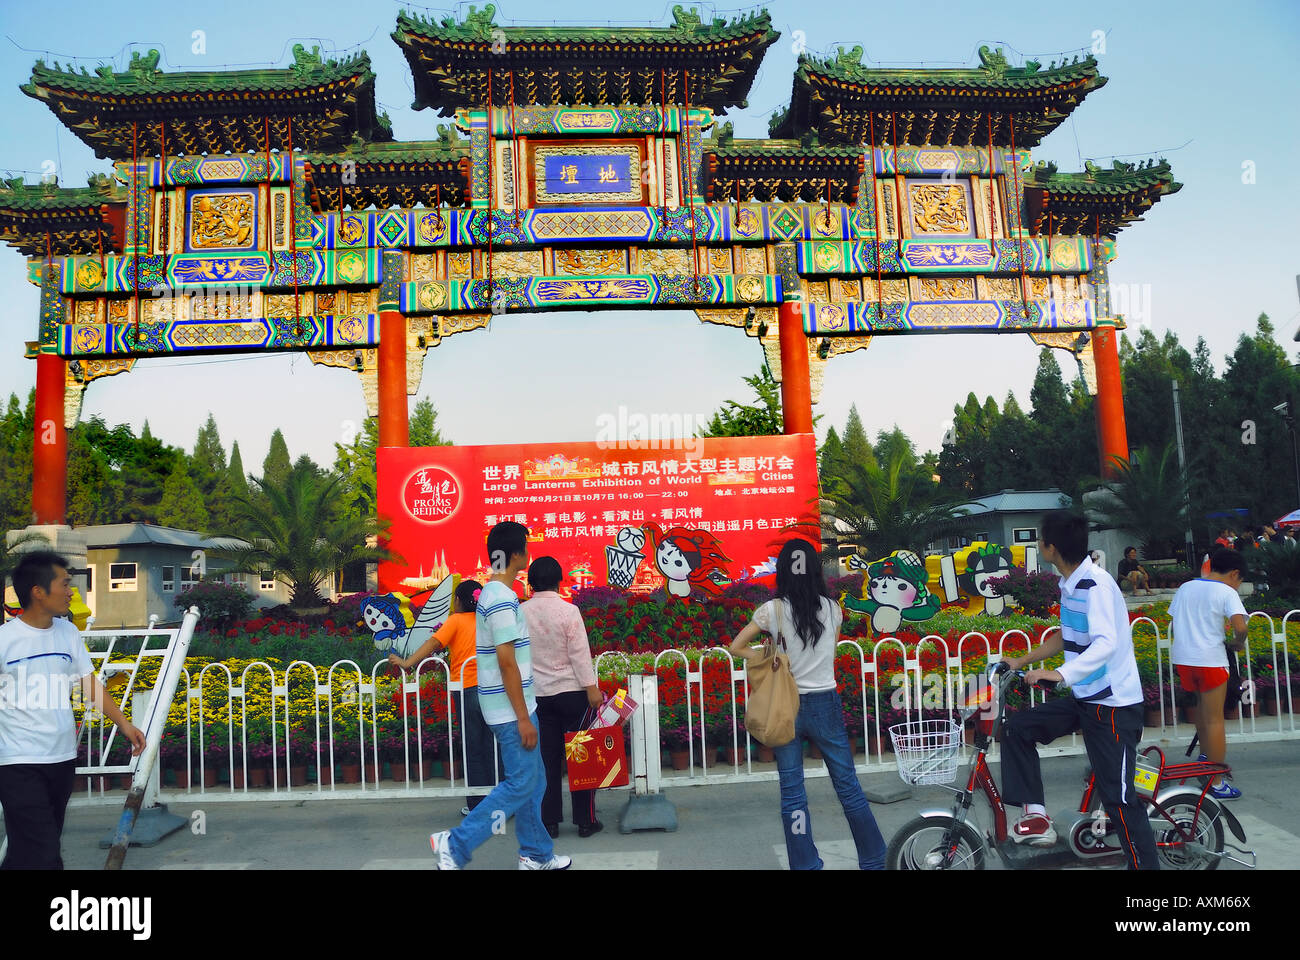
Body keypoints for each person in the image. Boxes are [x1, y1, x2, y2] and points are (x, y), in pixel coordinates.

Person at [999, 512, 1158, 870]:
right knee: (1016, 729)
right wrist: (1021, 660)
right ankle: (1037, 815)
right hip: (1087, 698)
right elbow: (1065, 634)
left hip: (1114, 707)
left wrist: (1059, 674)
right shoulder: (1070, 583)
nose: (1039, 545)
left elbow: (1105, 643)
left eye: (1041, 540)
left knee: (1119, 800)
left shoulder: (1096, 585)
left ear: (1052, 548)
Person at [728, 538, 887, 870]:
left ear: (784, 571)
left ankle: (806, 864)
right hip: (825, 702)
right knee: (848, 787)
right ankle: (874, 860)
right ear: (815, 569)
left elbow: (736, 646)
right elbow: (829, 650)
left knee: (793, 791)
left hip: (786, 705)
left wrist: (767, 655)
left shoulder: (773, 610)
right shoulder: (833, 609)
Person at [428, 523, 570, 870]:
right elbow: (507, 662)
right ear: (518, 555)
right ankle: (456, 843)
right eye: (525, 547)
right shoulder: (503, 599)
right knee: (521, 784)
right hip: (511, 711)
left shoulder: (491, 594)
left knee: (534, 782)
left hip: (511, 706)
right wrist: (523, 718)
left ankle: (536, 854)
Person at [0, 551, 145, 869]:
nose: (71, 591)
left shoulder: (67, 633)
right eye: (64, 584)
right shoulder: (5, 640)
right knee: (45, 854)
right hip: (17, 764)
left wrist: (123, 724)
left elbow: (88, 683)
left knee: (27, 851)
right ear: (38, 591)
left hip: (61, 760)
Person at [390, 579, 502, 816]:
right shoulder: (489, 619)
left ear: (458, 601)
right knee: (494, 746)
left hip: (467, 688)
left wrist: (408, 662)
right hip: (493, 689)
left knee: (473, 748)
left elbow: (432, 643)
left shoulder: (455, 621)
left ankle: (478, 806)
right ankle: (501, 803)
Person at [522, 556, 603, 839]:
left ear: (531, 582)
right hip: (572, 693)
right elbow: (579, 654)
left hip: (539, 695)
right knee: (580, 758)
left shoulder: (521, 612)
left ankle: (550, 822)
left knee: (547, 761)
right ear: (559, 580)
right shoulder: (569, 611)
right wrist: (591, 688)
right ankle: (585, 821)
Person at [1169, 549, 1248, 799]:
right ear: (1234, 574)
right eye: (1240, 580)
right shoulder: (1226, 591)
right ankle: (1215, 781)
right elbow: (1240, 626)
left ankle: (1205, 761)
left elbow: (1174, 618)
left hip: (1184, 660)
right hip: (1211, 660)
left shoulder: (1186, 587)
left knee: (1203, 715)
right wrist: (1238, 642)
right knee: (1215, 720)